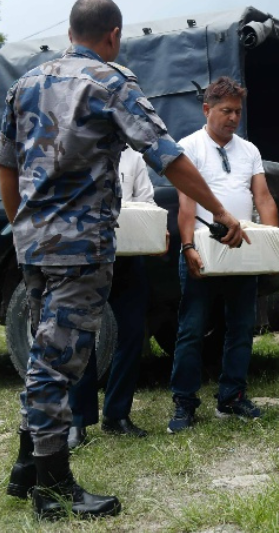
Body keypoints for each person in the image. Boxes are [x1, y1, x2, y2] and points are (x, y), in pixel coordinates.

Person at [0, 0, 247, 520]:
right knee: (59, 363)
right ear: (113, 35)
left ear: (71, 32)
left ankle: (25, 467)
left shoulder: (25, 83)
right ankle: (53, 487)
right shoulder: (111, 82)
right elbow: (167, 155)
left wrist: (23, 226)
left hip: (34, 245)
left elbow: (6, 166)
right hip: (78, 247)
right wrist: (221, 211)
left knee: (45, 351)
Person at [168, 76, 279, 434]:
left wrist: (273, 247)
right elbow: (186, 203)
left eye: (237, 112)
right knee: (192, 328)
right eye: (226, 111)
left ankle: (231, 397)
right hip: (203, 249)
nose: (233, 118)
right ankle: (185, 403)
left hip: (242, 250)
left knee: (242, 327)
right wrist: (187, 247)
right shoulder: (189, 147)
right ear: (207, 109)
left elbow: (263, 198)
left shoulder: (249, 150)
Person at [67, 147, 158, 449]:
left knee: (132, 333)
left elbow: (147, 203)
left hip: (128, 256)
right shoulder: (82, 148)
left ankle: (117, 415)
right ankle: (78, 421)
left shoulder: (134, 158)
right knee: (82, 335)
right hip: (87, 255)